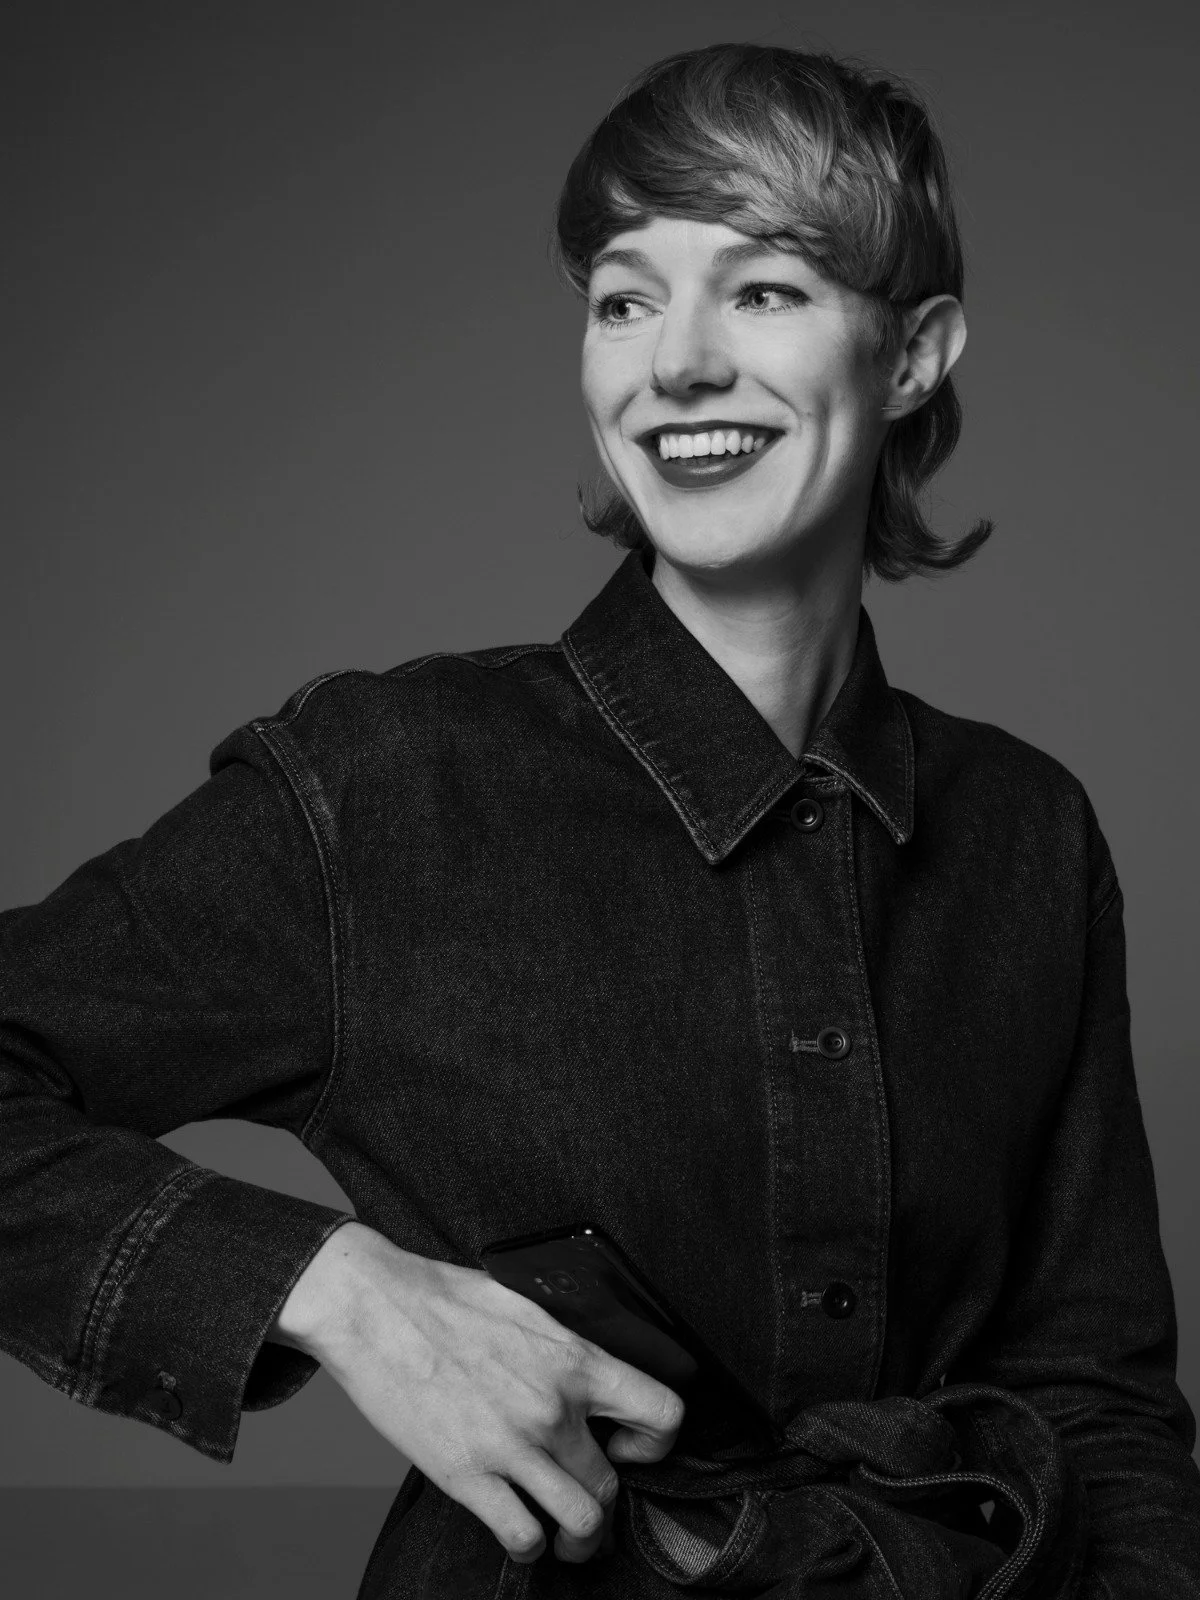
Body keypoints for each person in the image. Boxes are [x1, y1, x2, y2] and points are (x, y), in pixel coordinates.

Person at [2, 39, 1198, 1600]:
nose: (674, 363)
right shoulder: (392, 781)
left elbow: (1097, 1402)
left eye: (763, 289)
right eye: (626, 297)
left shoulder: (1028, 832)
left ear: (912, 357)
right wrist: (337, 1286)